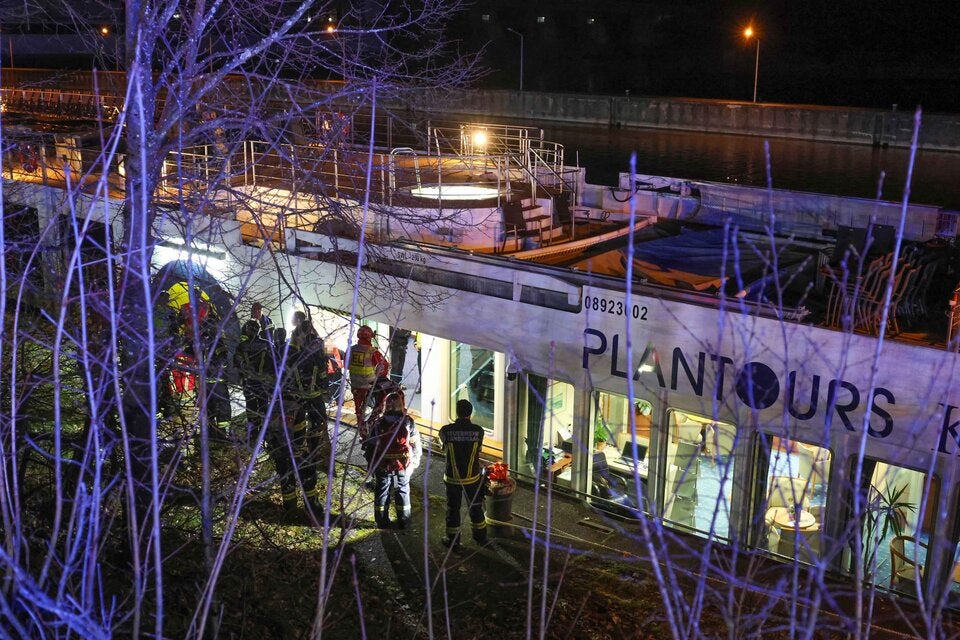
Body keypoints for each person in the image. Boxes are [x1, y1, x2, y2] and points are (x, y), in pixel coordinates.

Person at [289, 317, 331, 517]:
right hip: (315, 405)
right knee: (316, 442)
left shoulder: (293, 358)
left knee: (297, 447)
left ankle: (303, 456)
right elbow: (324, 384)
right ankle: (312, 501)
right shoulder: (318, 360)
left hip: (298, 406)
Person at [439, 399, 487, 547]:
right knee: (476, 506)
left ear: (457, 412)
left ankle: (453, 541)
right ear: (470, 413)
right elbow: (478, 450)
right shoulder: (478, 430)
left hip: (453, 478)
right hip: (472, 477)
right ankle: (480, 537)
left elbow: (444, 447)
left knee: (453, 509)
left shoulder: (445, 430)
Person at [367, 392, 419, 529]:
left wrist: (371, 465)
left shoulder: (378, 423)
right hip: (403, 464)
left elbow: (371, 446)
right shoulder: (408, 422)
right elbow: (415, 444)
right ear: (401, 405)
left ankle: (381, 521)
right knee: (402, 491)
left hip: (383, 464)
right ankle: (404, 521)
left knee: (382, 491)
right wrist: (415, 462)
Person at [348, 325, 389, 437]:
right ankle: (371, 425)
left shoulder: (351, 349)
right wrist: (379, 376)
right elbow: (385, 365)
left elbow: (347, 366)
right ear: (370, 337)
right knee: (378, 406)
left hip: (355, 386)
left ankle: (362, 430)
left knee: (359, 411)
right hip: (370, 386)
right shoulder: (372, 351)